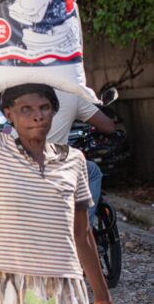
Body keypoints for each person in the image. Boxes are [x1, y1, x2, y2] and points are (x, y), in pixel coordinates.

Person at [0, 3, 114, 304]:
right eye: (25, 110)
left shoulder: (74, 161)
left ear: (53, 111)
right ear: (9, 115)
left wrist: (102, 294)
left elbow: (82, 235)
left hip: (62, 286)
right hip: (4, 285)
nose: (36, 116)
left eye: (43, 108)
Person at [48, 90, 115, 224]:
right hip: (50, 161)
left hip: (13, 162)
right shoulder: (67, 95)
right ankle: (84, 229)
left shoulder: (14, 93)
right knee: (93, 172)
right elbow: (109, 126)